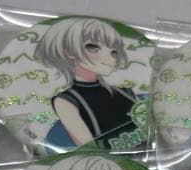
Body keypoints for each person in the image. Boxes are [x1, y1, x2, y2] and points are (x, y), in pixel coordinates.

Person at [34, 17, 143, 148]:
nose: (109, 58)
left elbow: (150, 128)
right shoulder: (66, 101)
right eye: (93, 48)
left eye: (113, 52)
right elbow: (89, 148)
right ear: (68, 51)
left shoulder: (125, 91)